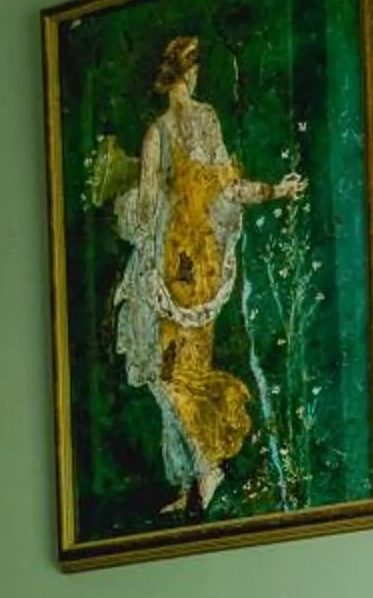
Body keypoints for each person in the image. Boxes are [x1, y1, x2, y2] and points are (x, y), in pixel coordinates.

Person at [109, 33, 306, 518]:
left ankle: (206, 468)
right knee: (173, 371)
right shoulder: (197, 123)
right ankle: (192, 478)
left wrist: (125, 210)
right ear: (190, 73)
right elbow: (229, 188)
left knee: (171, 372)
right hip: (195, 261)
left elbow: (152, 206)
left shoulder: (162, 131)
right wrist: (277, 191)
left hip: (180, 262)